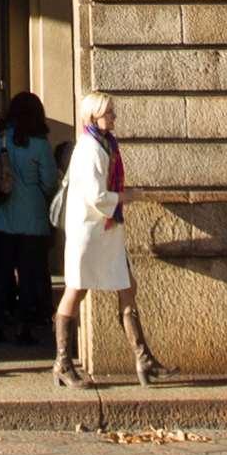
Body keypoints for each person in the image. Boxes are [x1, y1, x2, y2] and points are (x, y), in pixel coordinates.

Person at [53, 90, 156, 389]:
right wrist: (127, 197)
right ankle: (62, 361)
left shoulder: (105, 144)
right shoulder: (90, 148)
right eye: (108, 112)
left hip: (106, 231)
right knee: (77, 290)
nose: (113, 116)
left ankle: (143, 358)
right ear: (93, 115)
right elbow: (95, 196)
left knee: (127, 286)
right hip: (91, 231)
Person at [0, 91, 58, 348]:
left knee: (0, 274)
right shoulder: (40, 143)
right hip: (33, 218)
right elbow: (49, 183)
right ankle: (25, 326)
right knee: (29, 276)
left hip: (1, 216)